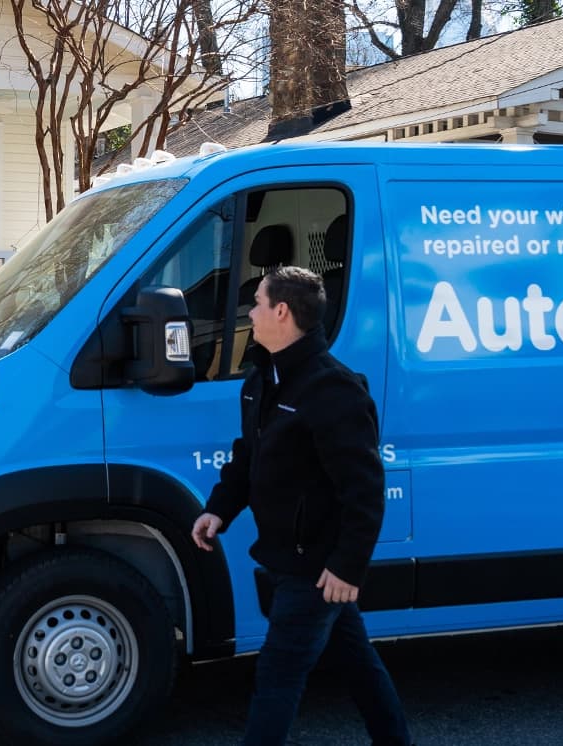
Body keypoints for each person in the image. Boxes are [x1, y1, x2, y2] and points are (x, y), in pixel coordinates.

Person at [191, 266, 411, 746]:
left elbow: (365, 489)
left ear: (283, 312)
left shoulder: (333, 389)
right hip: (286, 558)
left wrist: (347, 568)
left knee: (277, 676)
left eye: (259, 303)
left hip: (317, 566)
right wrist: (219, 510)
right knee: (358, 664)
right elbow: (247, 456)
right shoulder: (260, 380)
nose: (251, 312)